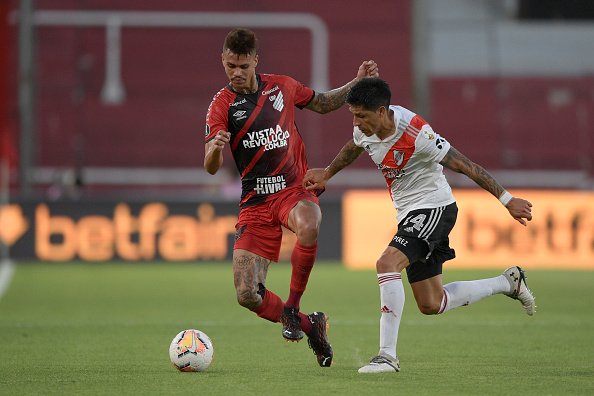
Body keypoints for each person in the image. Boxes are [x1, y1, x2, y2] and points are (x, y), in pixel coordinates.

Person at [302, 77, 536, 373]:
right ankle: (508, 282)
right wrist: (328, 173)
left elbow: (464, 165)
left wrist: (507, 199)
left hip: (434, 207)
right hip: (409, 214)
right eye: (353, 115)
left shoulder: (417, 133)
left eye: (361, 115)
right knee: (431, 303)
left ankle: (387, 356)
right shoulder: (364, 129)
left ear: (383, 111)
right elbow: (354, 146)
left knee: (386, 263)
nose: (356, 122)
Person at [204, 28, 379, 367]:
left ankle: (292, 307)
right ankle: (311, 325)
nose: (236, 73)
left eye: (242, 65)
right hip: (255, 201)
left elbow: (325, 104)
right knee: (246, 294)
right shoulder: (222, 104)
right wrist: (214, 150)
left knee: (310, 223)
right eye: (229, 66)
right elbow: (210, 167)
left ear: (256, 60)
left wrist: (355, 85)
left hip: (292, 189)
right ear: (223, 62)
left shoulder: (282, 85)